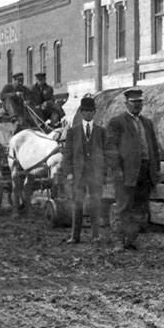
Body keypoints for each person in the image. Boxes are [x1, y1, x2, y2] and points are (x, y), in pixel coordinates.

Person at [105, 88, 160, 253]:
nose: (137, 105)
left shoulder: (147, 123)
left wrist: (155, 171)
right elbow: (110, 149)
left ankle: (130, 240)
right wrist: (117, 170)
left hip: (144, 172)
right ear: (126, 103)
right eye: (134, 102)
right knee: (122, 207)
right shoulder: (117, 122)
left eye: (140, 102)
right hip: (126, 173)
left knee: (139, 208)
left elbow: (154, 149)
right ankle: (118, 242)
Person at [61, 96, 106, 244]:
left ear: (95, 112)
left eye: (91, 111)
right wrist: (68, 173)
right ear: (81, 112)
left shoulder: (101, 132)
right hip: (78, 174)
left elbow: (106, 153)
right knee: (77, 205)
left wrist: (103, 172)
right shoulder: (73, 132)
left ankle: (95, 235)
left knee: (95, 205)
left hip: (95, 175)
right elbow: (67, 154)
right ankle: (75, 236)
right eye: (85, 111)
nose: (88, 114)